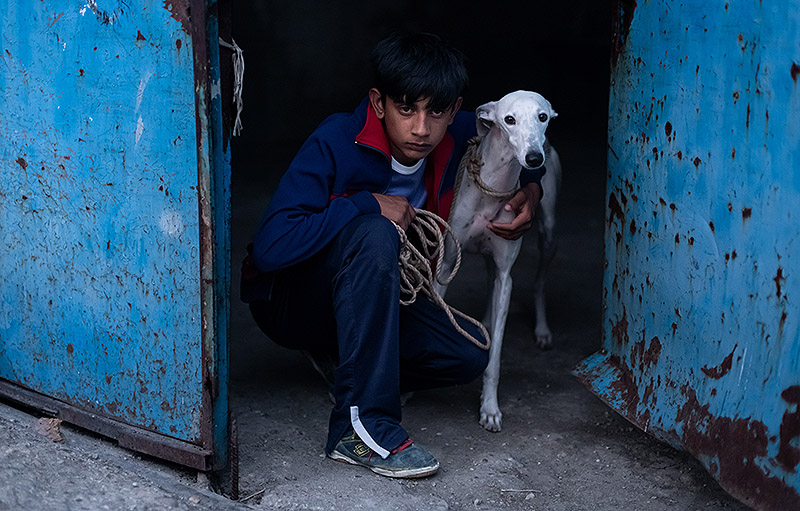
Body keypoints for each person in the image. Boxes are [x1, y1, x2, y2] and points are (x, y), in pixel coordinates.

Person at [241, 32, 544, 478]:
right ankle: (360, 428)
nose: (421, 128)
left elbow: (530, 135)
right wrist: (366, 203)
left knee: (463, 354)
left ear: (456, 110)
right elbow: (269, 248)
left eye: (436, 111)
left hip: (369, 296)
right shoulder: (337, 139)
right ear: (379, 103)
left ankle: (341, 357)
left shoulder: (463, 134)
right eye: (407, 109)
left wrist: (532, 191)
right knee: (375, 232)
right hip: (290, 302)